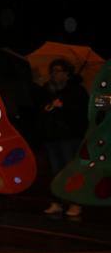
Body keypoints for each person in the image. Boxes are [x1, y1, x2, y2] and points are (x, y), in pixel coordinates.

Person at [37, 59, 89, 217]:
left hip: (69, 136)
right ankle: (57, 202)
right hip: (52, 136)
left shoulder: (77, 90)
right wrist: (47, 108)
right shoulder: (48, 89)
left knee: (70, 170)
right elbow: (40, 109)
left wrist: (64, 107)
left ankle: (75, 203)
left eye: (58, 71)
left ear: (67, 74)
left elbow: (83, 112)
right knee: (55, 171)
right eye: (52, 70)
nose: (54, 74)